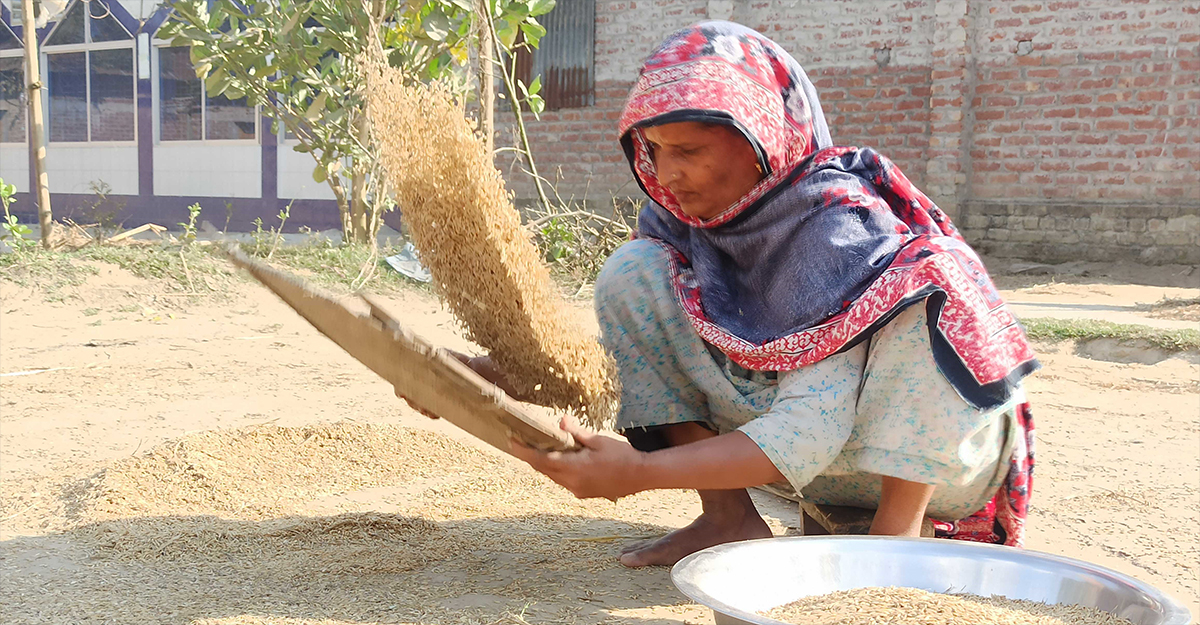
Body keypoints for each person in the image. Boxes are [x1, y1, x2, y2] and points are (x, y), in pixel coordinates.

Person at [421, 21, 1040, 569]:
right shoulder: (684, 229)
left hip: (935, 464)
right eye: (656, 152)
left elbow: (807, 432)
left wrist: (639, 474)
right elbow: (636, 369)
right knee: (633, 272)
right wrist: (499, 380)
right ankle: (726, 516)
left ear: (760, 140)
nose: (666, 176)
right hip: (819, 463)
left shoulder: (831, 228)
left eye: (687, 151)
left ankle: (894, 535)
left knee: (930, 281)